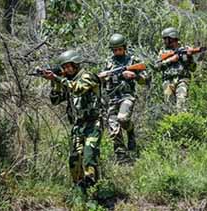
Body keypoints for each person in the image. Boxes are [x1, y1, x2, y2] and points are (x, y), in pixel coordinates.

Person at [43, 49, 103, 189]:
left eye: (69, 66)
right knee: (74, 160)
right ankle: (79, 190)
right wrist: (55, 83)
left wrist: (58, 78)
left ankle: (94, 188)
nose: (67, 69)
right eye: (64, 67)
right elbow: (55, 100)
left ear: (76, 64)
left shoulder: (88, 76)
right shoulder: (66, 81)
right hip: (78, 125)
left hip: (93, 124)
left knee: (89, 156)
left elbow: (78, 89)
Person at [98, 33, 148, 162]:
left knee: (123, 118)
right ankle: (122, 157)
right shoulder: (109, 62)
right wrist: (114, 76)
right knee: (114, 130)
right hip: (112, 98)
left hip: (127, 96)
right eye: (114, 50)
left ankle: (130, 131)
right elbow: (102, 80)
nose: (117, 52)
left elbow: (145, 80)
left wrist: (135, 76)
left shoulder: (132, 61)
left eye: (119, 49)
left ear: (124, 47)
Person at [155, 27, 197, 113]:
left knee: (181, 105)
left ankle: (183, 124)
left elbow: (193, 68)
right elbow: (157, 67)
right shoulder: (163, 52)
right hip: (167, 82)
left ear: (172, 38)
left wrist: (189, 57)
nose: (164, 41)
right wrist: (170, 60)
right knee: (169, 108)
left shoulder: (185, 49)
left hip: (182, 80)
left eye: (166, 39)